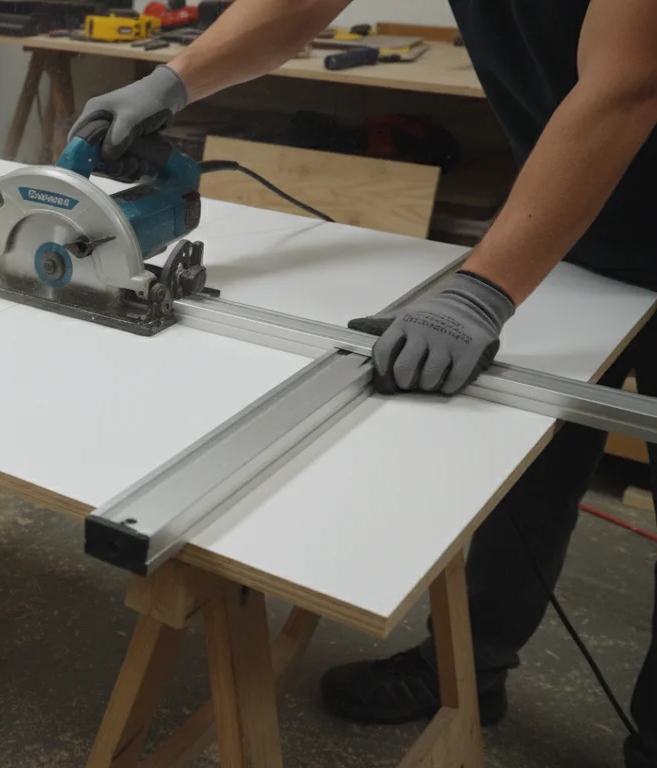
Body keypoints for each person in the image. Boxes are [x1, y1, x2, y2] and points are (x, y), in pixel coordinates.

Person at [70, 0, 657, 763]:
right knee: (526, 464)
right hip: (587, 223)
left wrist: (484, 289)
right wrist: (175, 81)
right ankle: (470, 671)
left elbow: (630, 84)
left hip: (625, 149)